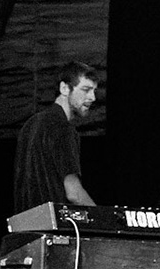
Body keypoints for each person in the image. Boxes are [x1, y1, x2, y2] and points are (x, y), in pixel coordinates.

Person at [13, 63, 100, 214]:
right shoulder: (63, 128)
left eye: (94, 91)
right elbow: (74, 193)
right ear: (64, 88)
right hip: (53, 228)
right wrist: (102, 220)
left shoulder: (30, 124)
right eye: (86, 90)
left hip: (24, 228)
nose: (92, 97)